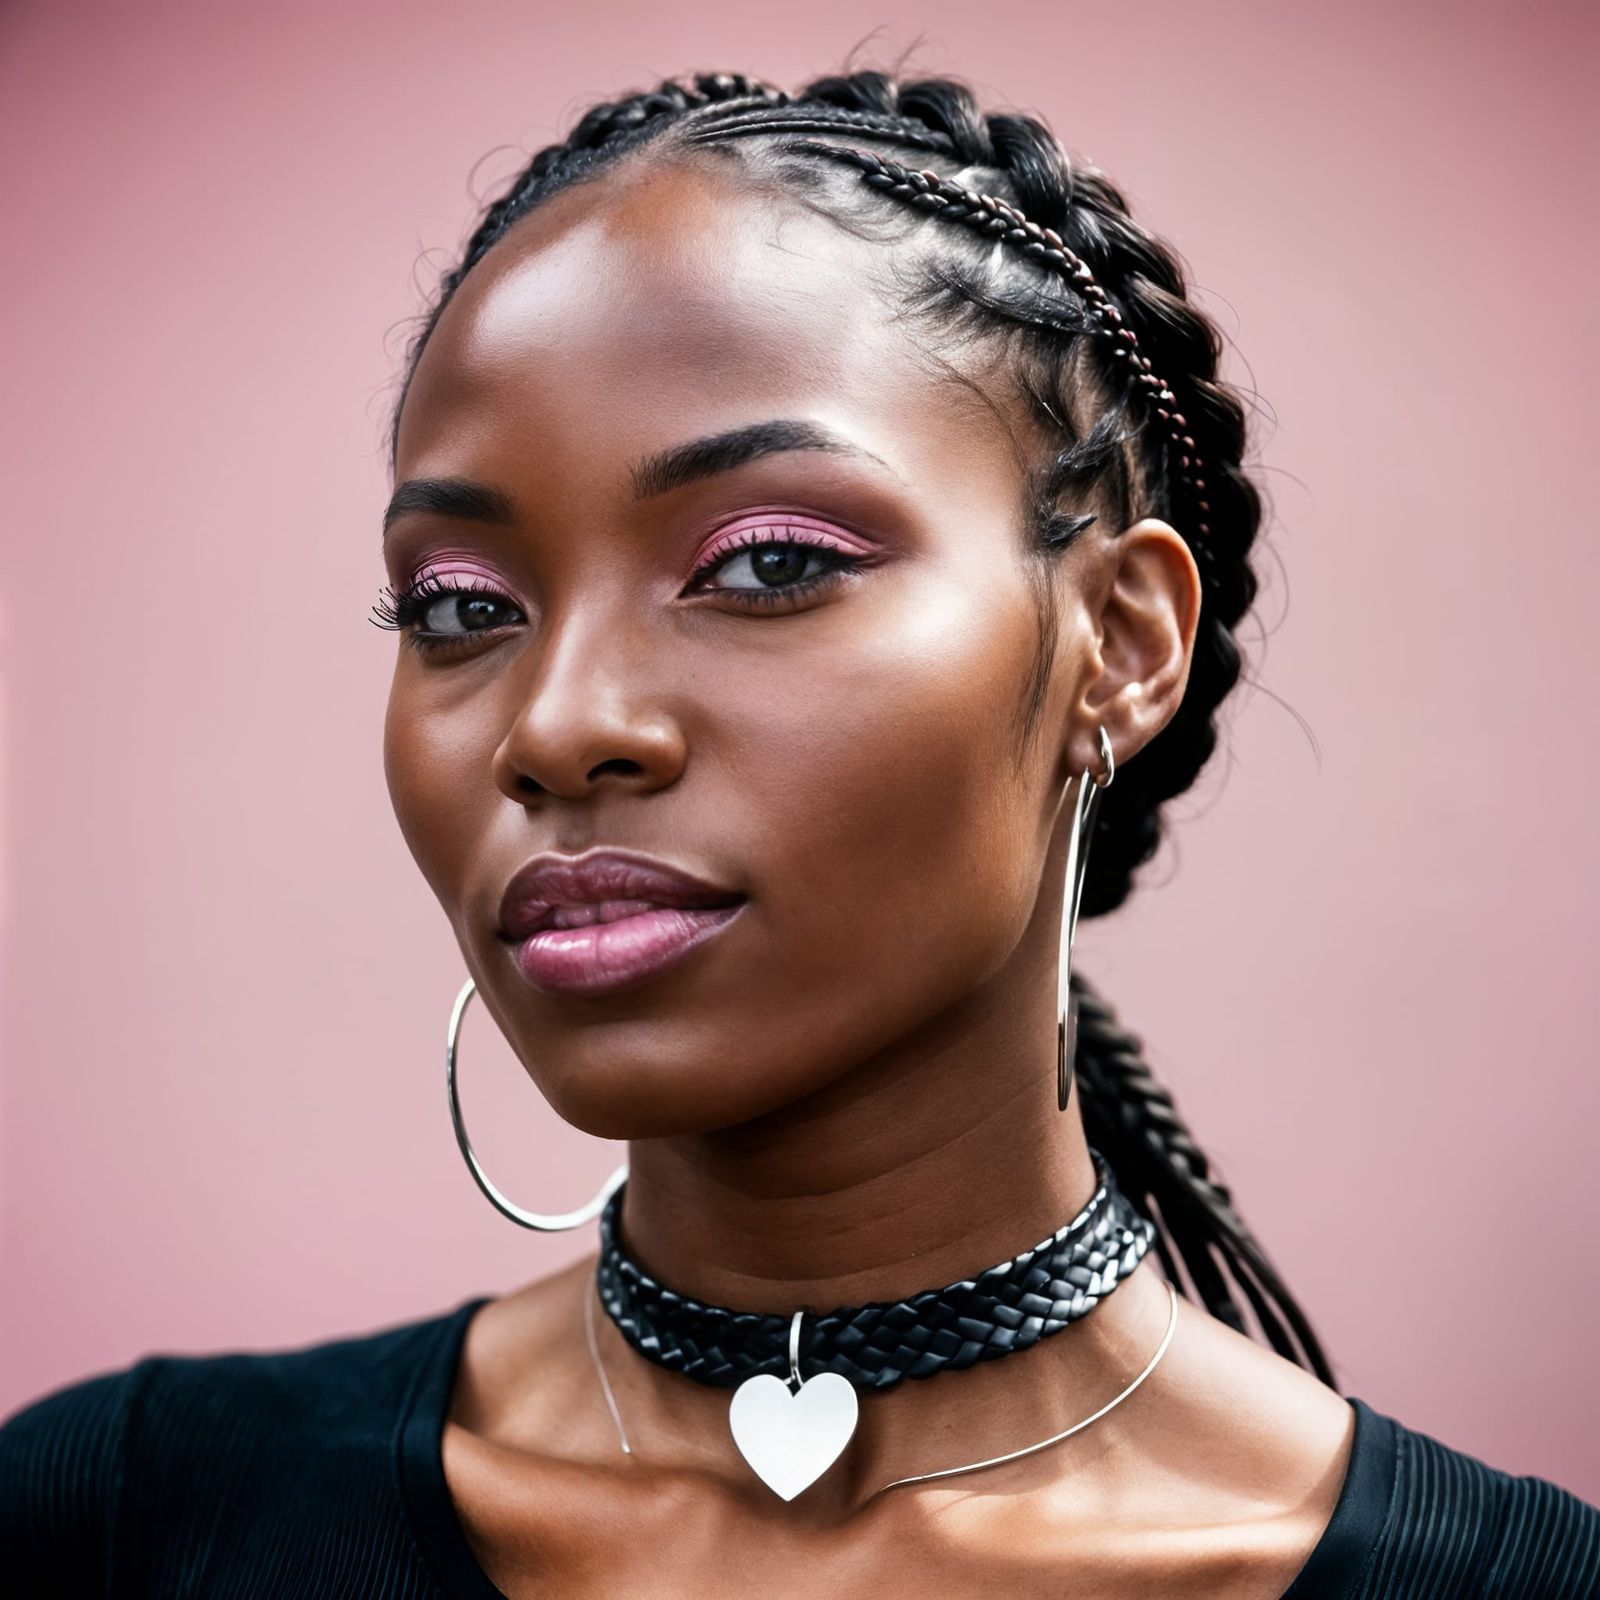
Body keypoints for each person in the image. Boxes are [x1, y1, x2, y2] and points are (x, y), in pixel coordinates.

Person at [3, 65, 1597, 1600]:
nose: (557, 726)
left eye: (766, 565)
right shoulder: (121, 1523)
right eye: (461, 606)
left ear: (1120, 645)